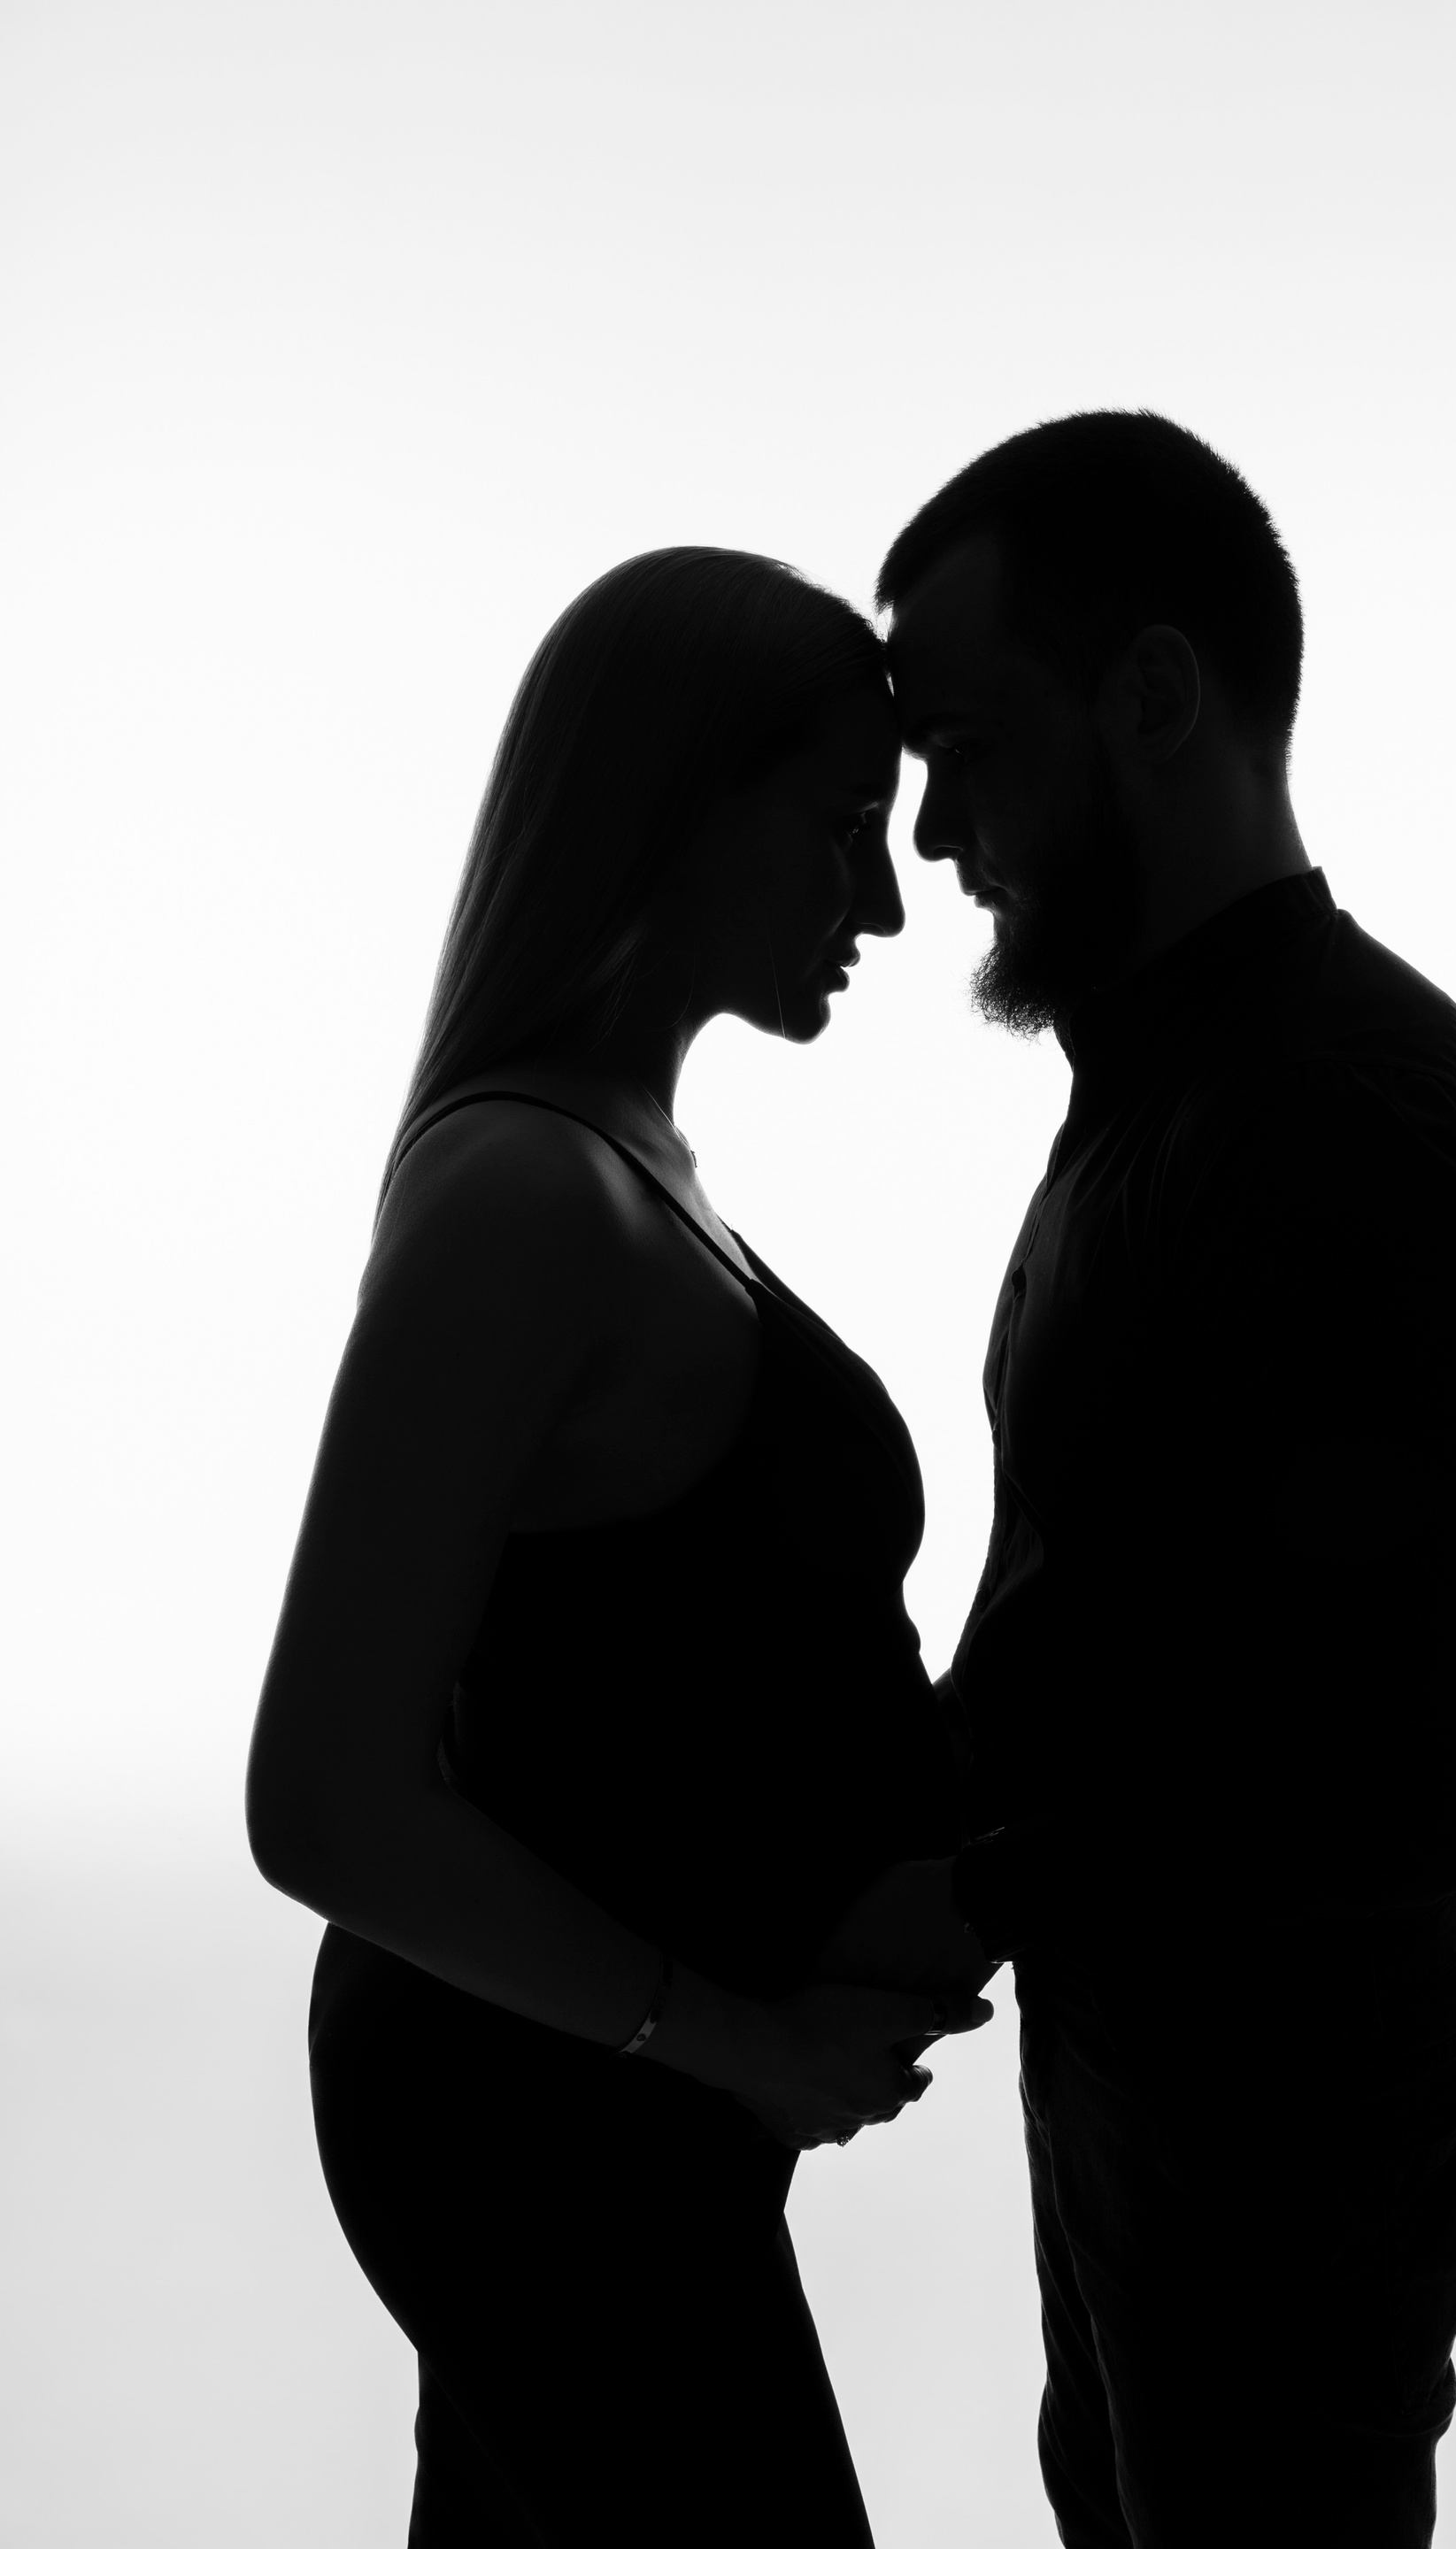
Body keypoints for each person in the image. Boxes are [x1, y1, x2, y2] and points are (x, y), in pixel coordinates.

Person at [819, 413, 1456, 2546]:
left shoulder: (1345, 1110)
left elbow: (1413, 1764)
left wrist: (962, 1893)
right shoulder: (1174, 1093)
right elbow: (1104, 1614)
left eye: (963, 750)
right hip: (1176, 2061)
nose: (932, 834)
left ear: (1154, 698)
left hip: (1290, 2099)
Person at [244, 547, 993, 2549]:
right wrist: (741, 2042)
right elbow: (320, 1800)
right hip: (546, 2130)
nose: (884, 901)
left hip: (617, 2120)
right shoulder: (526, 1194)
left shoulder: (622, 1171)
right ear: (673, 805)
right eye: (840, 824)